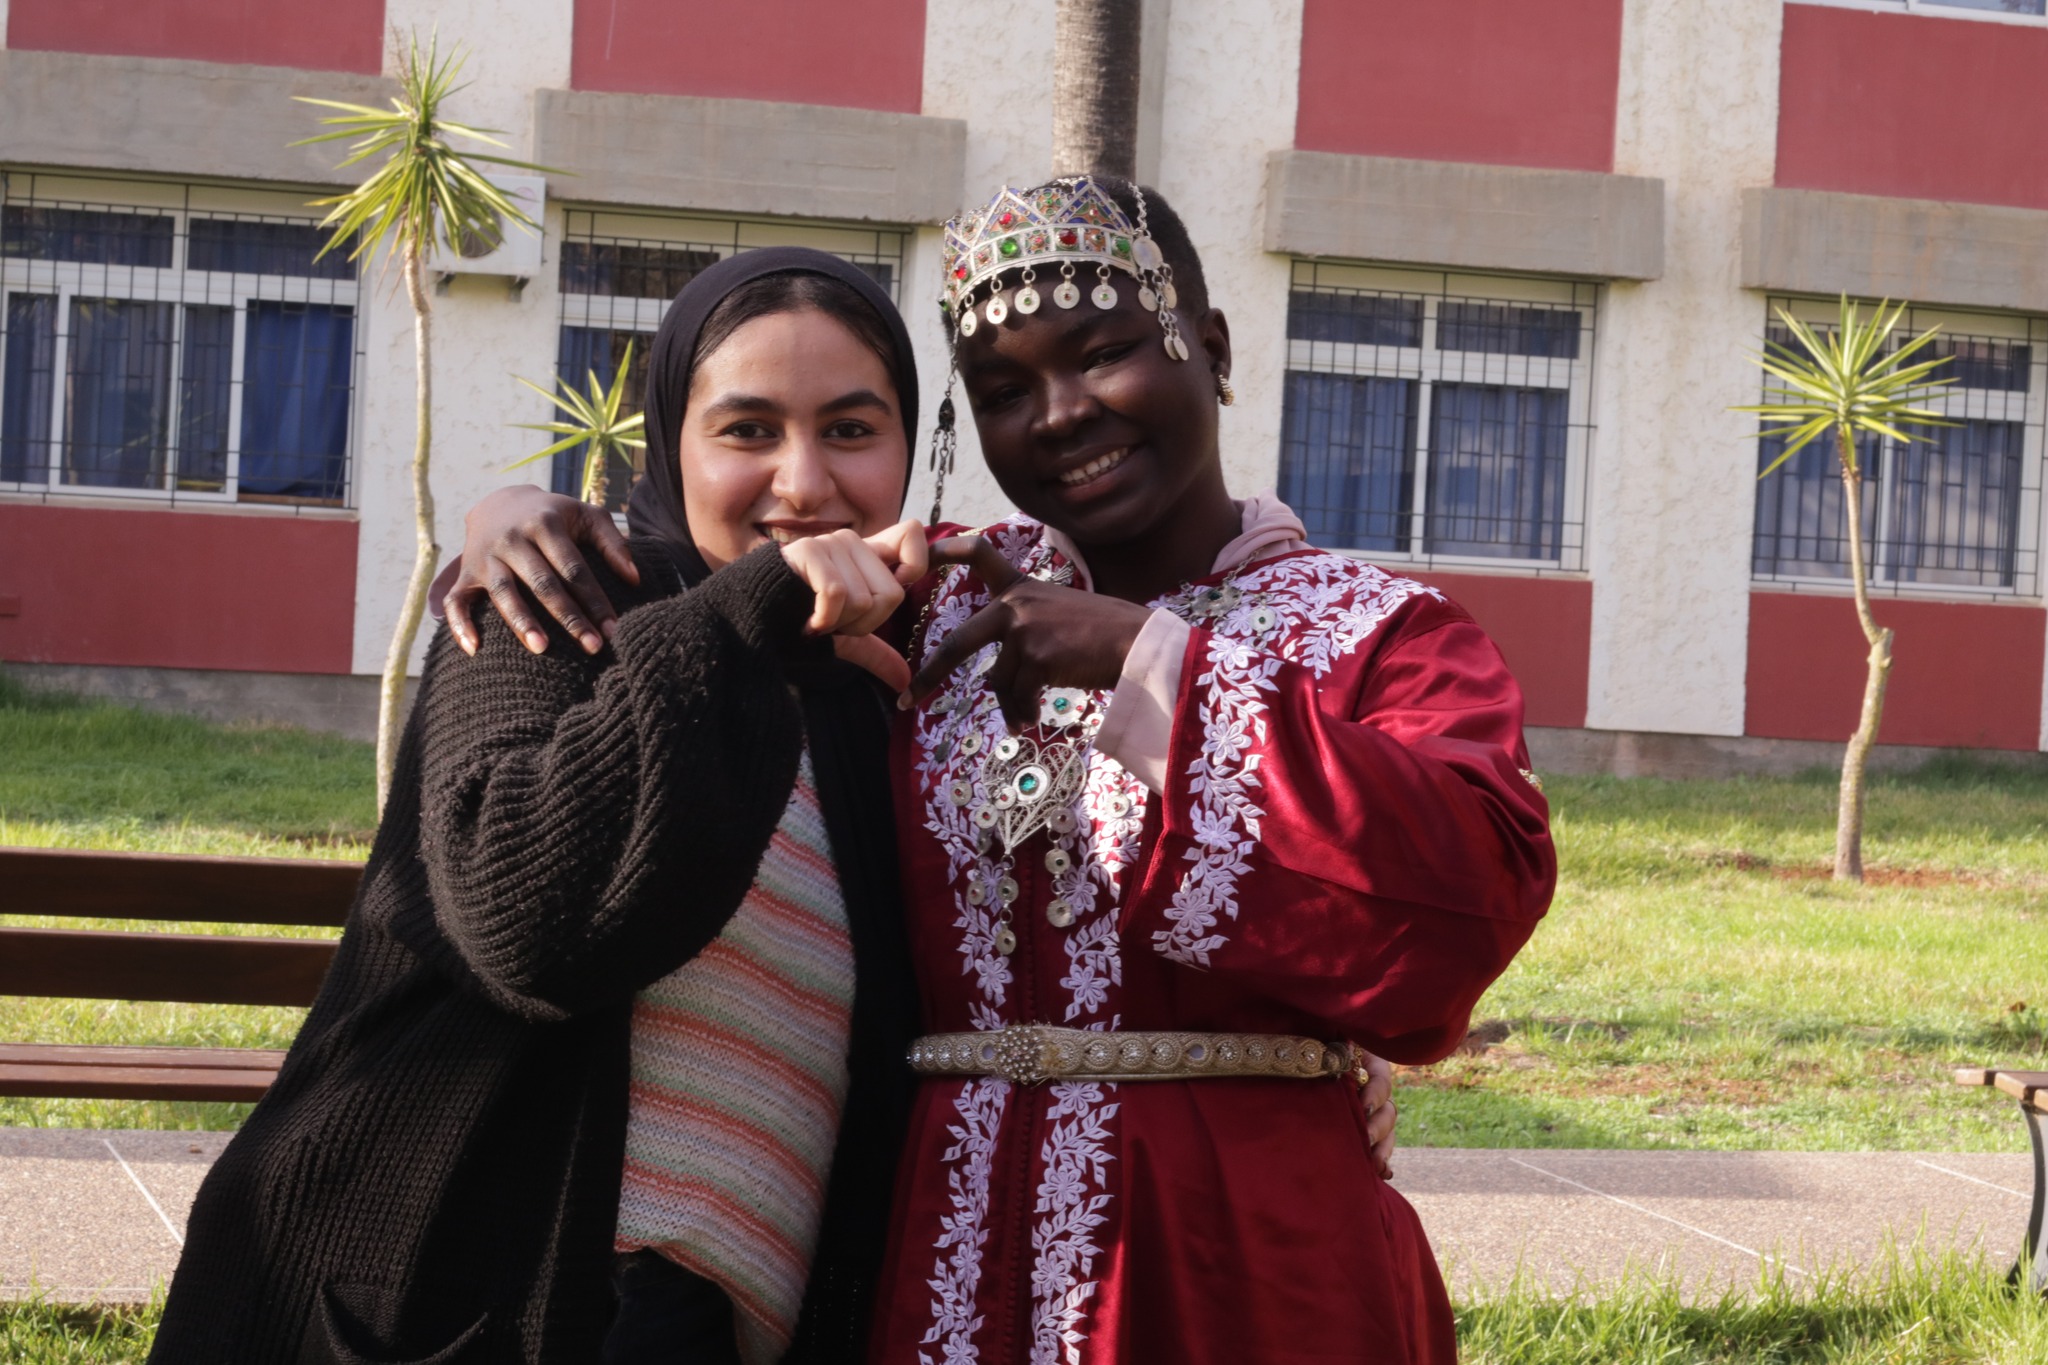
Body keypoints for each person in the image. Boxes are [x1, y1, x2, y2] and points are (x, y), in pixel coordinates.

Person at [444, 179, 1523, 1364]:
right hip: (945, 1248)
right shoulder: (940, 600)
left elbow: (1465, 901)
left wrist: (1149, 661)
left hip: (1243, 1255)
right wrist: (509, 513)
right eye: (1004, 391)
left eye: (1103, 353)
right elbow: (712, 594)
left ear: (1206, 349)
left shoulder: (1379, 634)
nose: (1058, 415)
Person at [149, 249, 936, 1365]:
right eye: (747, 430)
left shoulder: (874, 695)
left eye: (850, 431)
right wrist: (741, 614)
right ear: (673, 439)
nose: (803, 484)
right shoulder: (551, 602)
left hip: (704, 1323)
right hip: (458, 1299)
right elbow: (531, 931)